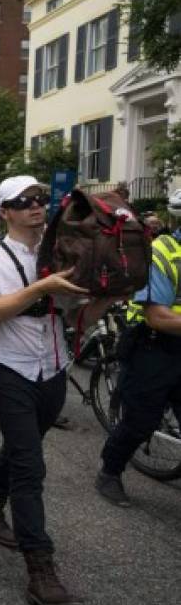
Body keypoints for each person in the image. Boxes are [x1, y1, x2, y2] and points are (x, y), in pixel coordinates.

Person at [0, 175, 118, 605]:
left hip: (51, 368)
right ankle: (41, 571)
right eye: (24, 201)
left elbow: (80, 315)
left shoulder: (63, 252)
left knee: (21, 447)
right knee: (30, 466)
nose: (36, 206)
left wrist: (109, 295)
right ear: (6, 212)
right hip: (8, 367)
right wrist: (40, 288)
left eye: (40, 199)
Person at [95, 189, 181, 507]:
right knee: (141, 422)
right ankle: (110, 472)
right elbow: (157, 316)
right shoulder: (161, 252)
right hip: (153, 348)